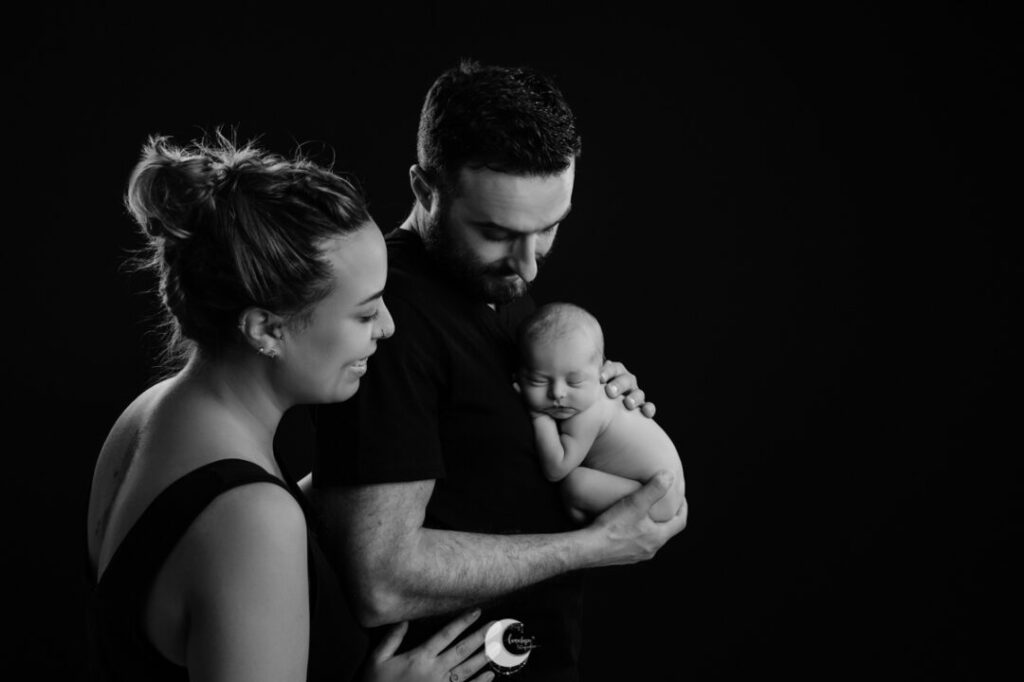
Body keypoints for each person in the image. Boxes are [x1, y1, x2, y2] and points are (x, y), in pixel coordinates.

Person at [309, 60, 688, 681]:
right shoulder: (389, 321)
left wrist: (591, 401)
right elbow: (380, 578)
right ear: (425, 190)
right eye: (496, 231)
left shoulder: (497, 286)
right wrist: (595, 547)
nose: (530, 265)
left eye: (549, 228)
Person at [86, 133, 498, 682]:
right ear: (266, 329)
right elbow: (240, 531)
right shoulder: (252, 518)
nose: (387, 327)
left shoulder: (147, 416)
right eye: (365, 313)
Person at [516, 302, 687, 524]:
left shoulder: (590, 412)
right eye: (538, 380)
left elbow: (556, 468)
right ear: (519, 375)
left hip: (656, 494)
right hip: (663, 489)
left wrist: (540, 417)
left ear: (601, 373)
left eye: (574, 381)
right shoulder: (582, 398)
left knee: (575, 483)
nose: (557, 393)